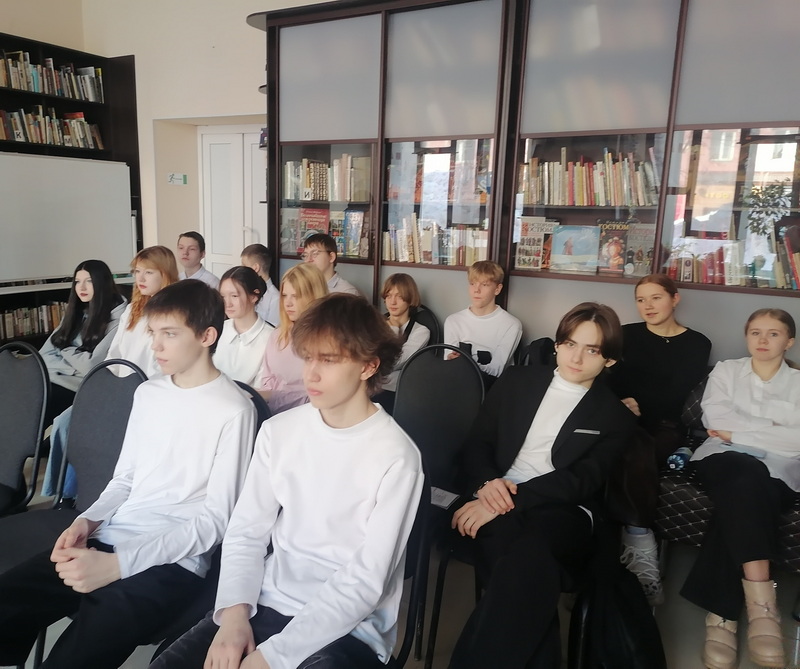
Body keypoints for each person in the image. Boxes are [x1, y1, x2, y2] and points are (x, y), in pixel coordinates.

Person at [151, 293, 424, 669]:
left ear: (368, 366)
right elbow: (246, 532)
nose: (310, 374)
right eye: (308, 357)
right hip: (266, 602)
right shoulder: (278, 431)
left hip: (348, 629)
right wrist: (233, 617)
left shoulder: (397, 457)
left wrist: (272, 657)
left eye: (328, 360)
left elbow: (365, 581)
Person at [0, 280, 255, 669]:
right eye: (153, 333)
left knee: (74, 655)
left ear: (207, 336)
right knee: (9, 598)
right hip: (110, 537)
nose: (156, 346)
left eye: (170, 334)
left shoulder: (234, 409)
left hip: (172, 561)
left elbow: (214, 523)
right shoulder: (149, 393)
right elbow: (124, 480)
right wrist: (87, 521)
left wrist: (118, 565)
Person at [449, 302, 636, 669]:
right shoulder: (517, 381)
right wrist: (487, 484)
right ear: (558, 344)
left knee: (525, 554)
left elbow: (582, 480)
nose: (576, 358)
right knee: (529, 566)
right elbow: (477, 443)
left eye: (592, 350)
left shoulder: (614, 415)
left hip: (563, 508)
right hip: (496, 493)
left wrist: (502, 502)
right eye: (570, 344)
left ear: (609, 360)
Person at [680, 308, 799, 669]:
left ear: (789, 341)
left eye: (773, 333)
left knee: (744, 490)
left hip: (778, 468)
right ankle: (763, 608)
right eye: (755, 332)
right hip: (721, 458)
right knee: (745, 476)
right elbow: (715, 419)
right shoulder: (727, 371)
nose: (763, 340)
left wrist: (739, 431)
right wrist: (773, 429)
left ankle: (722, 614)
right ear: (747, 336)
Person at [42, 245, 179, 499]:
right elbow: (113, 354)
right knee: (65, 422)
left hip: (144, 393)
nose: (140, 278)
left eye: (148, 272)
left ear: (165, 273)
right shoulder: (133, 310)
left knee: (91, 428)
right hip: (115, 386)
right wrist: (107, 388)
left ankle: (89, 493)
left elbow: (161, 366)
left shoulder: (174, 313)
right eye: (137, 271)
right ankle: (64, 493)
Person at [608, 273, 712, 605]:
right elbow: (607, 377)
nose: (647, 306)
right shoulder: (625, 335)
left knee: (634, 449)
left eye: (656, 298)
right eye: (641, 300)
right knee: (606, 449)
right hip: (618, 419)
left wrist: (634, 404)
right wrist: (619, 402)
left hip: (664, 426)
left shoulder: (697, 343)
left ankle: (638, 544)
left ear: (674, 298)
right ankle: (611, 550)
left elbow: (674, 395)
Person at [38, 259, 126, 427]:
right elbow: (43, 355)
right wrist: (73, 367)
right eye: (77, 282)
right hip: (52, 380)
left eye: (89, 281)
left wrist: (64, 350)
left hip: (81, 388)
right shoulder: (75, 312)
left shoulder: (119, 320)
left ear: (102, 283)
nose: (82, 288)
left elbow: (90, 366)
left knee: (34, 407)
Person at [257, 263, 328, 414]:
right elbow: (267, 381)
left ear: (313, 296)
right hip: (273, 414)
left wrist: (273, 396)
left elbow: (320, 395)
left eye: (295, 296)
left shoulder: (328, 341)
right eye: (284, 295)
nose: (288, 303)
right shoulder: (277, 335)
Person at [443, 260, 522, 387]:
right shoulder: (453, 321)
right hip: (457, 386)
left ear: (497, 289)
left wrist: (463, 364)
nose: (476, 290)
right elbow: (448, 362)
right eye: (472, 284)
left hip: (493, 388)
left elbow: (496, 370)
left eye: (484, 285)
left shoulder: (511, 325)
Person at [373, 273, 430, 414]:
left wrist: (393, 328)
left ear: (410, 299)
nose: (392, 302)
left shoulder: (421, 331)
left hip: (395, 393)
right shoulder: (375, 324)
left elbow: (393, 363)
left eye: (399, 296)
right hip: (368, 388)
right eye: (388, 296)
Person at [214, 266, 273, 387]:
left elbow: (262, 389)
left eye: (234, 296)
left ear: (253, 296)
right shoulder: (217, 329)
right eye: (223, 296)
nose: (228, 303)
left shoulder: (271, 338)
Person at [241, 243, 280, 326]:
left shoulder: (275, 299)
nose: (241, 269)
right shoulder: (245, 291)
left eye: (244, 265)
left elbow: (273, 329)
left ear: (256, 268)